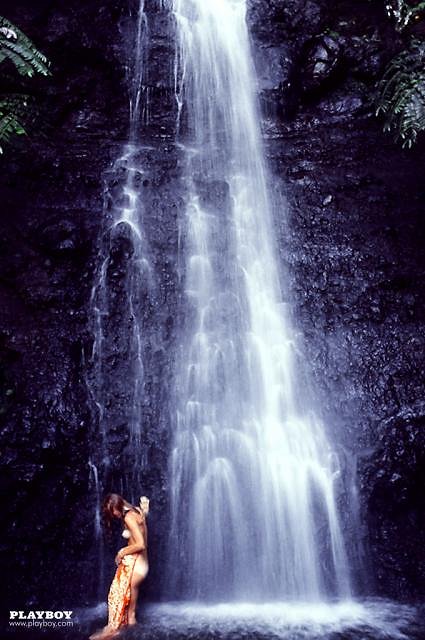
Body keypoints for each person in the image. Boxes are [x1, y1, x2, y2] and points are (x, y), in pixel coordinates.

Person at [89, 493, 149, 639]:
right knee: (130, 613)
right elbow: (141, 525)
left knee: (115, 596)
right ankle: (131, 633)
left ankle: (114, 630)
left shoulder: (128, 517)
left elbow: (141, 544)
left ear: (117, 507)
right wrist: (145, 509)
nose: (113, 515)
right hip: (142, 564)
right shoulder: (136, 511)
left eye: (112, 511)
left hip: (136, 564)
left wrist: (122, 552)